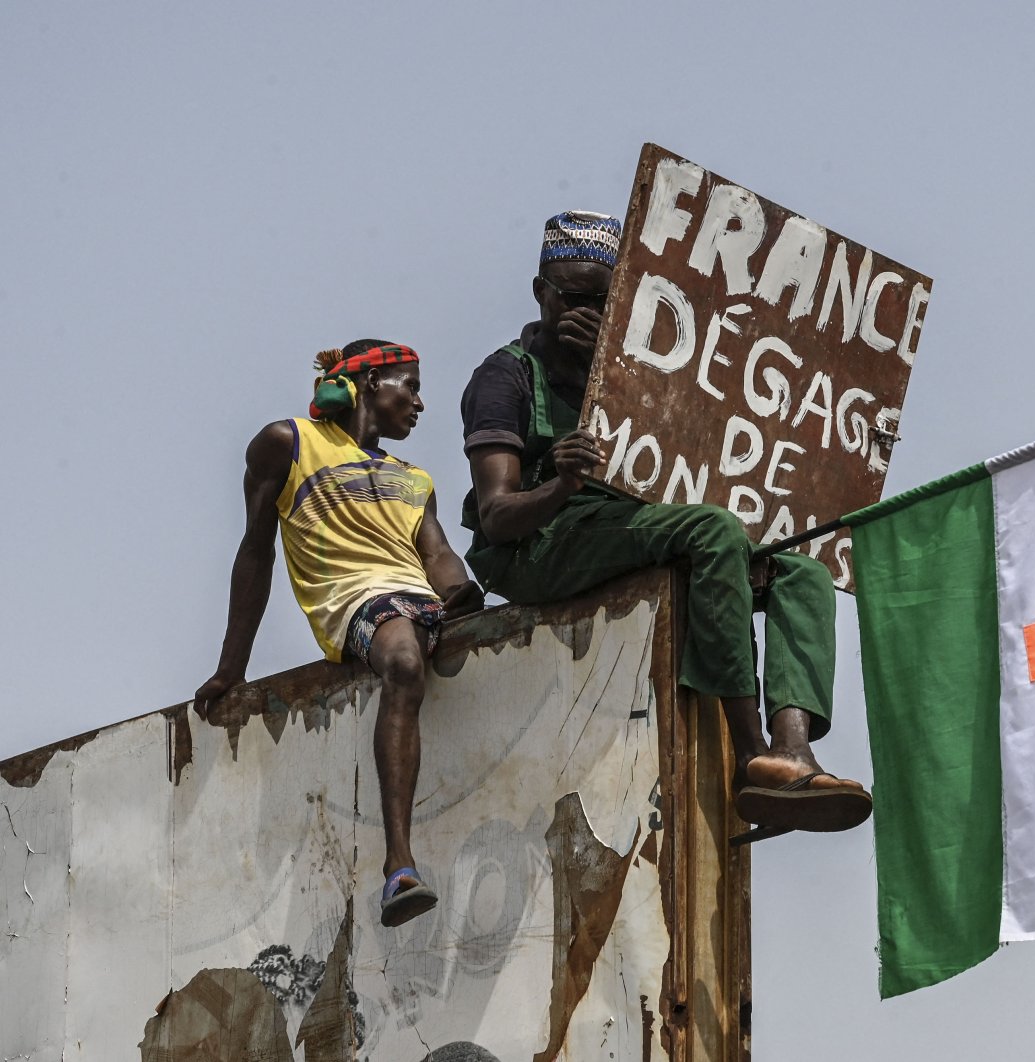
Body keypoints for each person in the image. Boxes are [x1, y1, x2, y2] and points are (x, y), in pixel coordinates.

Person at [459, 211, 870, 839]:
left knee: (802, 570)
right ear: (541, 292)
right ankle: (749, 752)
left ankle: (793, 750)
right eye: (571, 298)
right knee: (714, 533)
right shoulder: (506, 377)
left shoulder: (644, 368)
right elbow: (497, 518)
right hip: (540, 545)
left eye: (602, 299)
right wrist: (560, 482)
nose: (583, 313)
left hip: (630, 524)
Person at [195, 340, 484, 926]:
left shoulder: (413, 478)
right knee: (403, 661)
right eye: (411, 385)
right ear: (371, 382)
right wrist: (232, 667)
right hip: (355, 600)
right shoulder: (288, 443)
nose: (420, 403)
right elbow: (255, 552)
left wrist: (463, 597)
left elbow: (439, 555)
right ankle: (399, 865)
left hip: (419, 599)